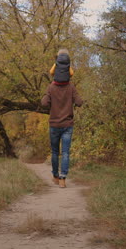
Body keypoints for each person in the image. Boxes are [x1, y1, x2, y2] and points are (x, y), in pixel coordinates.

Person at [41, 49, 83, 188]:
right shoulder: (71, 87)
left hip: (54, 124)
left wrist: (49, 97)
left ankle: (55, 176)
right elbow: (79, 102)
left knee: (54, 152)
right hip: (67, 125)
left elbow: (44, 103)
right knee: (65, 152)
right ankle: (63, 179)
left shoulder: (51, 87)